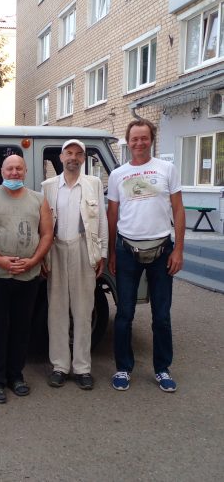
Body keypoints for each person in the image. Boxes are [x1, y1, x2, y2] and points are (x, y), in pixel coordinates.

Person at [107, 119, 185, 393]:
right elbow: (112, 214)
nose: (139, 143)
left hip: (162, 251)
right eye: (134, 139)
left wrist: (179, 249)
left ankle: (162, 369)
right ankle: (123, 368)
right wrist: (111, 252)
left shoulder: (167, 169)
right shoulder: (118, 174)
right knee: (124, 314)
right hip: (126, 251)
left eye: (144, 138)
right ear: (128, 142)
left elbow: (178, 209)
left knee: (161, 315)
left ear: (151, 139)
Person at [0, 154, 53, 404]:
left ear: (25, 171)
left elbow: (47, 234)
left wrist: (34, 261)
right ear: (2, 171)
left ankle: (16, 375)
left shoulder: (38, 199)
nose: (14, 172)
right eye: (10, 168)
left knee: (21, 327)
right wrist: (0, 260)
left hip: (28, 275)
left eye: (19, 168)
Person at [42, 139, 108, 391]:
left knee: (83, 310)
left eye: (78, 154)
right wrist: (43, 257)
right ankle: (59, 366)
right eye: (68, 153)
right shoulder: (48, 186)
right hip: (56, 248)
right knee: (56, 311)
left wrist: (101, 254)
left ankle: (82, 368)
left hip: (83, 248)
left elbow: (101, 221)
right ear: (61, 157)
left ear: (83, 159)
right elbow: (42, 225)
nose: (73, 157)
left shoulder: (93, 183)